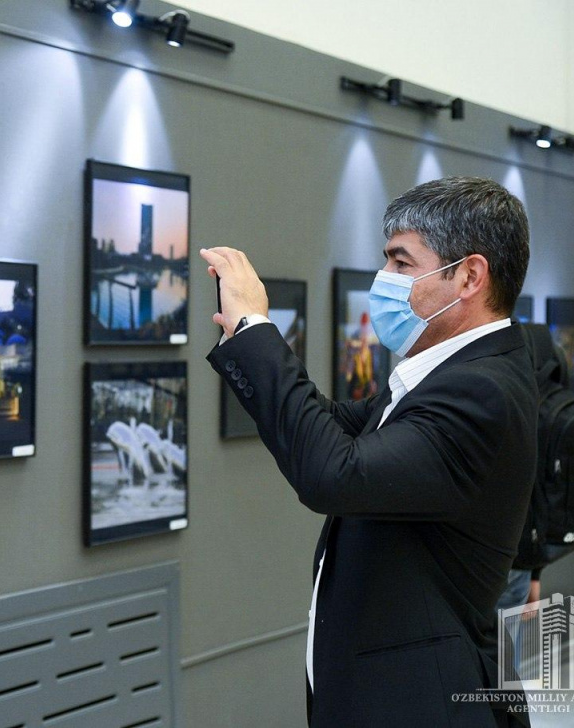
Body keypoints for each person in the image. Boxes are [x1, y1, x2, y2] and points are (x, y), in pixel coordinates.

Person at [202, 177, 536, 727]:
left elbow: (334, 473)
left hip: (426, 706)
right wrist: (245, 339)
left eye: (402, 263)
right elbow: (329, 427)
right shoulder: (449, 375)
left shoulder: (480, 390)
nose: (386, 280)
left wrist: (257, 325)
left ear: (470, 276)